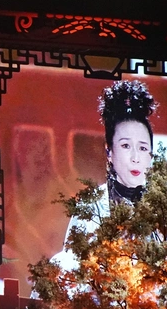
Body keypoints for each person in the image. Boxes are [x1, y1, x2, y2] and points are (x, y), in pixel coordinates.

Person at [51, 79, 158, 270]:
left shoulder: (163, 208)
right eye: (125, 146)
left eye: (143, 148)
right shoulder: (92, 206)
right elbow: (73, 267)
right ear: (109, 151)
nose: (135, 158)